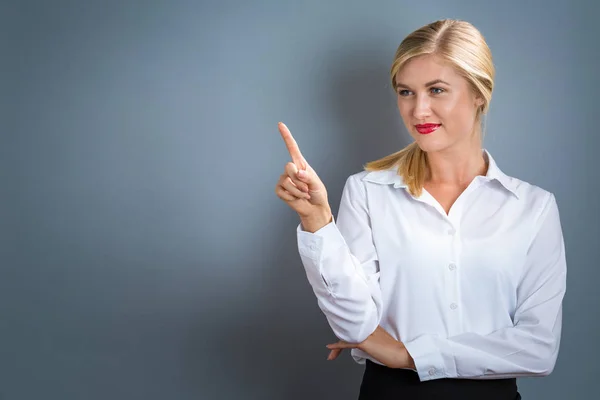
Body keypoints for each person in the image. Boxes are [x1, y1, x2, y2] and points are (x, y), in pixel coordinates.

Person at [274, 18, 566, 400]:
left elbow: (538, 349)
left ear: (480, 94)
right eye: (406, 92)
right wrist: (316, 221)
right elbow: (355, 325)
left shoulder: (533, 208)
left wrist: (408, 354)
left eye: (437, 90)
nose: (418, 109)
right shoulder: (367, 192)